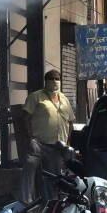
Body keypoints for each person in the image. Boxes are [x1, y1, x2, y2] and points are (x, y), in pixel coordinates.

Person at [22, 70, 75, 199]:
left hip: (57, 146)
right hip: (39, 143)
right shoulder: (36, 97)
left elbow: (71, 122)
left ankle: (51, 204)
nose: (54, 81)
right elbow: (25, 117)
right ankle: (25, 200)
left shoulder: (64, 99)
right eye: (51, 79)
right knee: (30, 169)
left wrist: (68, 143)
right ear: (46, 81)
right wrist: (30, 137)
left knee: (54, 177)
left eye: (57, 78)